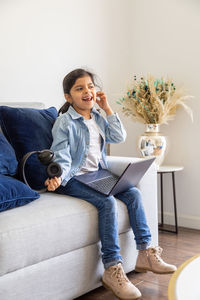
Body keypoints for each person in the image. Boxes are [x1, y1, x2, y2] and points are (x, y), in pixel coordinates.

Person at [45, 68, 177, 300]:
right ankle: (112, 267)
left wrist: (107, 109)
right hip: (74, 178)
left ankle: (145, 253)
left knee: (134, 193)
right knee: (106, 203)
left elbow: (119, 136)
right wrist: (58, 175)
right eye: (80, 88)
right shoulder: (64, 122)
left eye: (90, 87)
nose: (87, 91)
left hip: (97, 174)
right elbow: (61, 154)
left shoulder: (97, 117)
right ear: (68, 97)